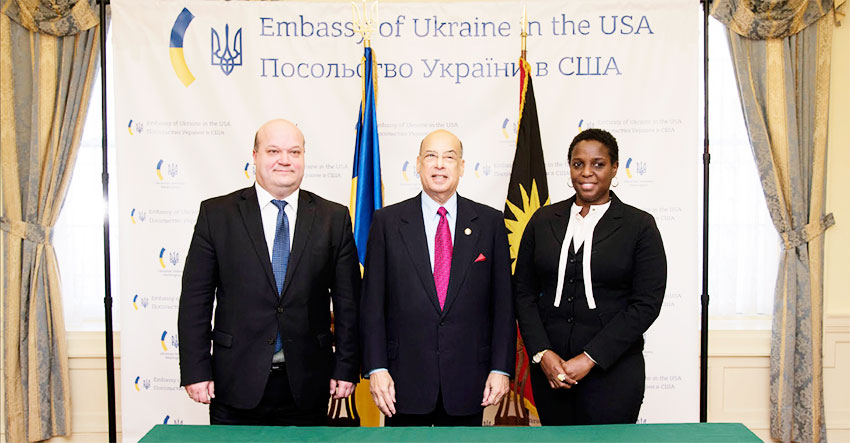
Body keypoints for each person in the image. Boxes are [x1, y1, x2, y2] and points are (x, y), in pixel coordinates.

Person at [177, 119, 360, 426]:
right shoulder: (216, 215)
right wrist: (196, 370)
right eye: (274, 150)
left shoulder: (334, 218)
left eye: (294, 151)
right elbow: (196, 300)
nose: (285, 160)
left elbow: (348, 304)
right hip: (235, 382)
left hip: (309, 383)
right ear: (255, 155)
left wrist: (345, 367)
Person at [360, 129, 515, 426]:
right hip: (401, 383)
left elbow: (503, 306)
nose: (439, 165)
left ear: (462, 166)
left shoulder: (490, 222)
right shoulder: (387, 223)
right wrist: (376, 367)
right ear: (418, 164)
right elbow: (372, 306)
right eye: (431, 156)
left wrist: (501, 368)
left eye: (449, 157)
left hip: (470, 381)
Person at [513, 128, 666, 425]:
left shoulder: (639, 226)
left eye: (598, 164)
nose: (587, 172)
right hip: (551, 372)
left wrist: (590, 358)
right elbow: (523, 292)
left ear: (614, 168)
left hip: (614, 373)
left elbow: (646, 303)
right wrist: (543, 353)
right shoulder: (543, 221)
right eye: (578, 163)